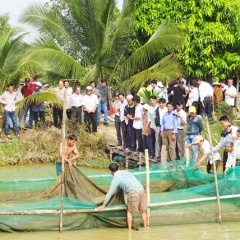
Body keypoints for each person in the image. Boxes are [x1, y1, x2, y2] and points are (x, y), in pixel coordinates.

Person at [98, 163, 147, 230]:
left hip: (133, 193)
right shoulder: (125, 172)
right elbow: (134, 179)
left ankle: (129, 230)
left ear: (110, 171)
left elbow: (109, 193)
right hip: (141, 190)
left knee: (129, 211)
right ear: (118, 168)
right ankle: (146, 229)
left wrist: (104, 205)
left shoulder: (116, 179)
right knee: (143, 211)